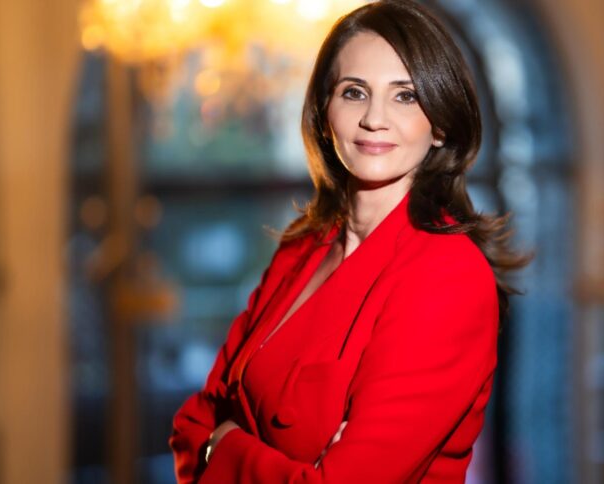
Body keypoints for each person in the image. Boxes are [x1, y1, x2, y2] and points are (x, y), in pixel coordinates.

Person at [169, 0, 532, 482]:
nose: (374, 118)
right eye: (355, 92)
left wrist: (224, 445)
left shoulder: (449, 275)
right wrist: (253, 453)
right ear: (325, 114)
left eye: (405, 96)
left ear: (440, 125)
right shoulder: (303, 246)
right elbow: (192, 425)